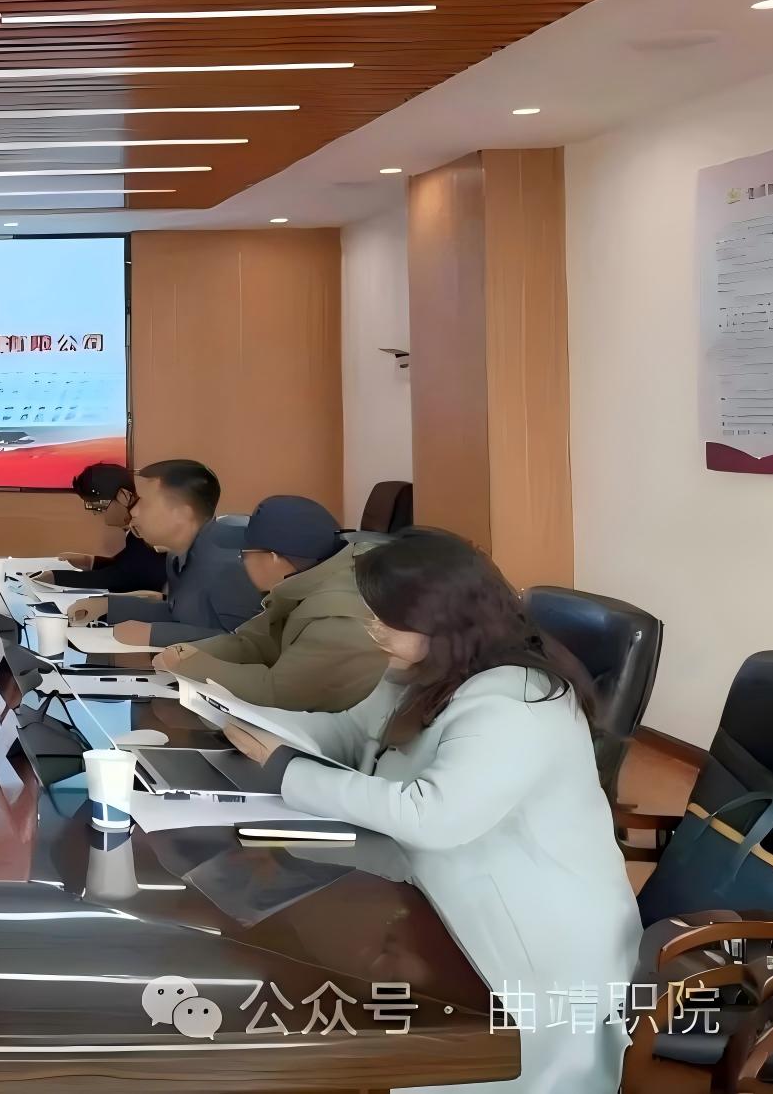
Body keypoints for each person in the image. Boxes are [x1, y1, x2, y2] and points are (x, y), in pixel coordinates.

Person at [222, 529, 638, 1093]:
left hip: (532, 937)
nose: (373, 632)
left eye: (385, 620)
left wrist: (286, 770)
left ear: (442, 621)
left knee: (440, 1060)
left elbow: (432, 816)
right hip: (443, 892)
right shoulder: (430, 667)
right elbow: (350, 732)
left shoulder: (518, 702)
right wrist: (248, 720)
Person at [152, 495, 387, 711]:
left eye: (243, 554)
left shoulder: (338, 618)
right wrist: (186, 653)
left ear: (273, 558)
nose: (242, 563)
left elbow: (277, 694)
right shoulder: (305, 582)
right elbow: (254, 642)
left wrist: (188, 666)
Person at [67, 458, 261, 646]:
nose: (133, 512)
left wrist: (154, 634)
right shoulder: (177, 555)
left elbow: (245, 642)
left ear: (181, 514)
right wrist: (107, 607)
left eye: (144, 503)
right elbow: (176, 612)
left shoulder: (230, 563)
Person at [51, 461, 167, 593]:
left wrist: (55, 577)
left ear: (124, 495)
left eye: (100, 506)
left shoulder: (148, 529)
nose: (96, 513)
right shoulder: (134, 533)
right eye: (92, 507)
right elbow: (125, 565)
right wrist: (89, 561)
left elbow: (122, 577)